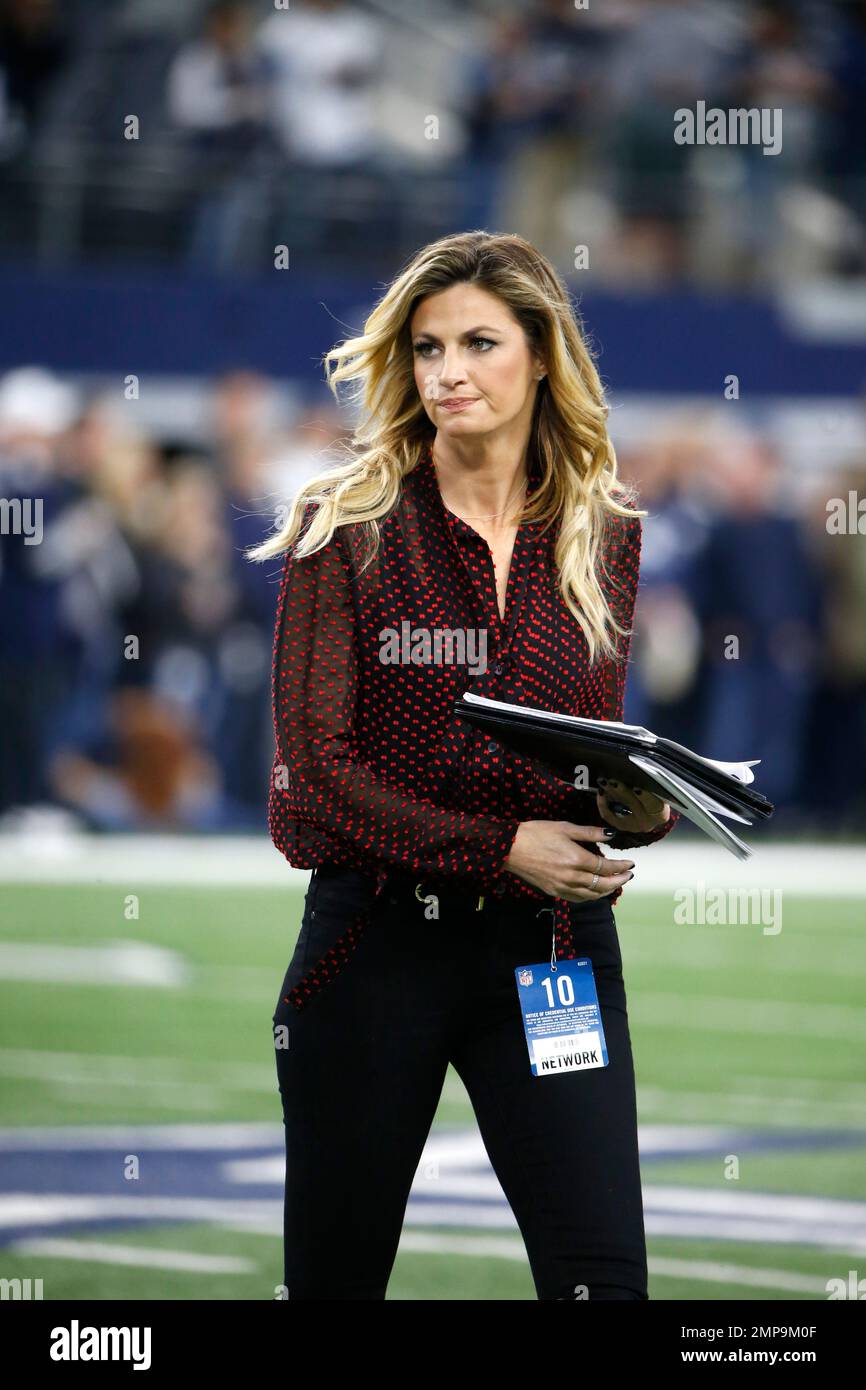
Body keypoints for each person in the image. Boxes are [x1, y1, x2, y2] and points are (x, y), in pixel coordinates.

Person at [249, 230, 680, 1301]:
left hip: (550, 951)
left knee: (603, 1281)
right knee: (335, 1285)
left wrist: (638, 805)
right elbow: (316, 773)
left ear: (539, 356)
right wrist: (500, 846)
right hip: (375, 946)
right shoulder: (343, 521)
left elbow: (585, 743)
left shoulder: (601, 526)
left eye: (477, 342)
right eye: (427, 346)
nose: (446, 371)